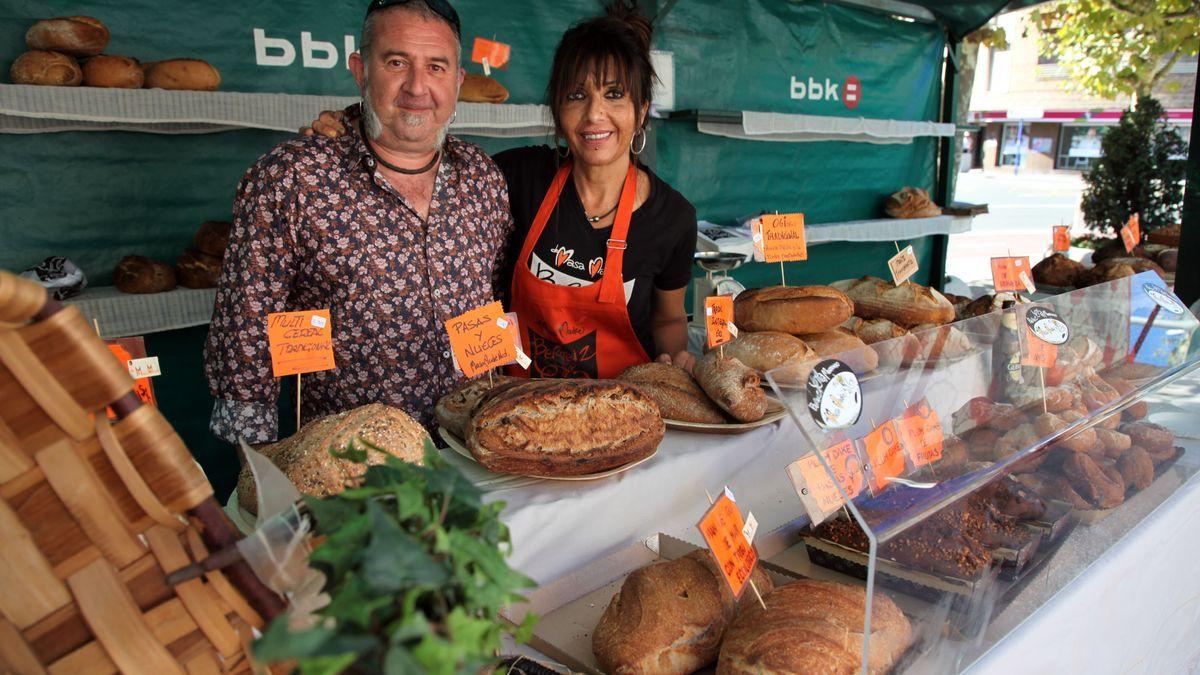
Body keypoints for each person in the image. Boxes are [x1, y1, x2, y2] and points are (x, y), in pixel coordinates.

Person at [306, 2, 698, 380]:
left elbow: (668, 317)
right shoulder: (514, 177)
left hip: (623, 414)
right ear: (558, 111)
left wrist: (671, 358)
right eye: (577, 95)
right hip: (520, 411)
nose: (595, 114)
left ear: (642, 109)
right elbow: (413, 154)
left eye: (614, 94)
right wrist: (351, 127)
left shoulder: (673, 218)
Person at [205, 0, 514, 443]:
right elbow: (246, 334)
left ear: (459, 80)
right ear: (360, 69)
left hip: (473, 452)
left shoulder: (483, 178)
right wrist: (261, 477)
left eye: (437, 67)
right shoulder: (295, 177)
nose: (417, 87)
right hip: (351, 472)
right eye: (396, 62)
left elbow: (493, 298)